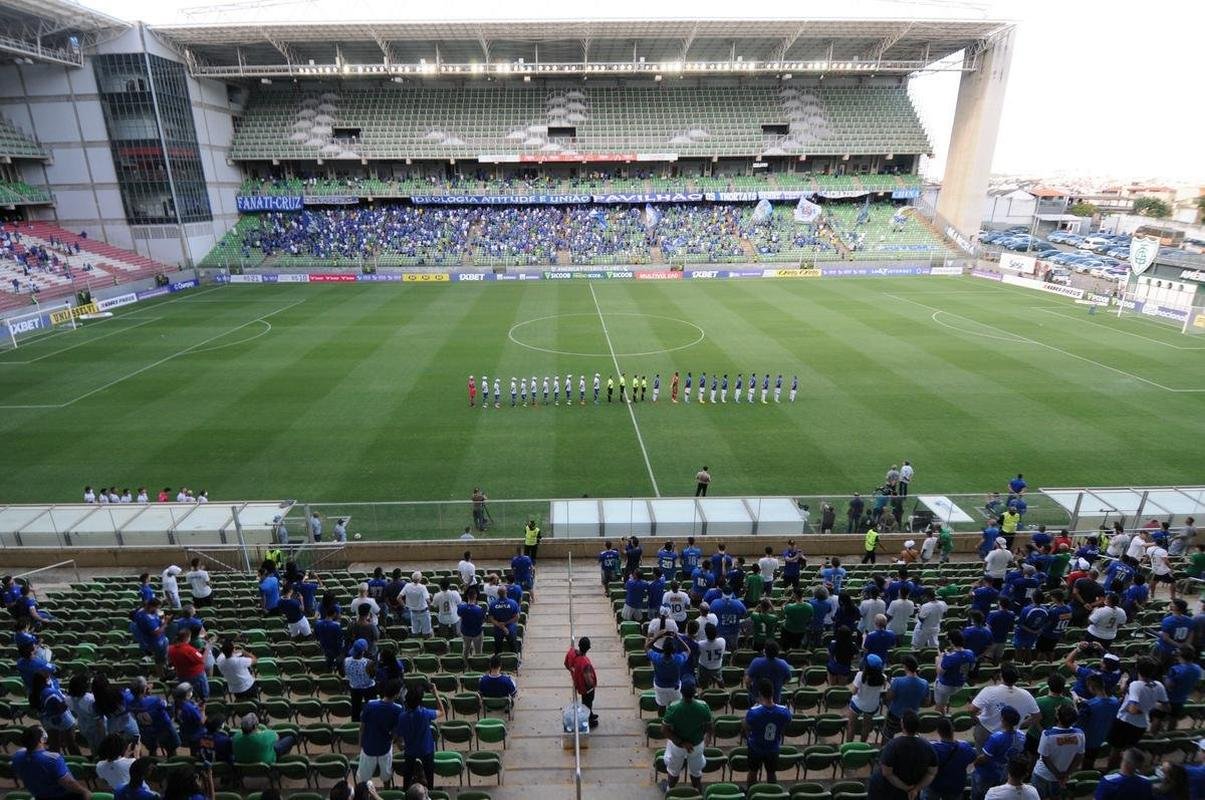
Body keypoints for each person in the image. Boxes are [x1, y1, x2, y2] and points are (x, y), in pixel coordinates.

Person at [1106, 657, 1168, 769]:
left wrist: (1144, 708)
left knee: (1115, 750)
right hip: (1141, 725)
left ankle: (1110, 772)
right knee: (1128, 751)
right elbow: (1166, 707)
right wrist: (1149, 706)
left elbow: (1132, 709)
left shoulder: (1136, 685)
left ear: (1137, 669)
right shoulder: (1159, 685)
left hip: (1124, 722)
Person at [869, 710, 938, 800]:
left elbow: (886, 773)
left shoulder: (893, 745)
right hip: (911, 792)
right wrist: (916, 789)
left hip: (887, 790)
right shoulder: (928, 747)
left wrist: (906, 788)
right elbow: (932, 773)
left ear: (902, 724)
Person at [970, 666, 1039, 749]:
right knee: (1004, 758)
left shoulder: (988, 691)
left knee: (982, 757)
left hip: (986, 731)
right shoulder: (1026, 694)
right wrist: (1019, 724)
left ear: (1001, 676)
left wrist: (977, 719)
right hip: (1010, 734)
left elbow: (972, 710)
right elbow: (1037, 717)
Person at [662, 681, 712, 793]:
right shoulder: (703, 706)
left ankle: (669, 791)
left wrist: (681, 742)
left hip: (678, 746)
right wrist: (708, 736)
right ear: (695, 692)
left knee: (674, 771)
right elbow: (709, 726)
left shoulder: (673, 708)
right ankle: (698, 792)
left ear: (681, 692)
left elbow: (664, 730)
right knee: (696, 772)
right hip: (697, 745)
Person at [742, 677, 791, 785]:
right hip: (773, 747)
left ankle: (751, 793)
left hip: (755, 747)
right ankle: (772, 793)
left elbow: (746, 726)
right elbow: (786, 724)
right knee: (771, 773)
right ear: (773, 693)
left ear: (759, 693)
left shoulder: (754, 712)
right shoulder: (784, 711)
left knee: (752, 772)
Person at [1030, 704, 1084, 800]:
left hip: (1043, 774)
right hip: (1063, 775)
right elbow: (1079, 756)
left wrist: (1058, 775)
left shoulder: (1047, 735)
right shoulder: (1080, 734)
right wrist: (1066, 775)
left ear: (1058, 717)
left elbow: (1045, 758)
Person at [356, 679, 403, 785]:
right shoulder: (398, 709)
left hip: (368, 747)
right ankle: (387, 790)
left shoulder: (370, 705)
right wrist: (396, 741)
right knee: (386, 775)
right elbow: (396, 733)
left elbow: (362, 728)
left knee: (364, 778)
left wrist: (360, 744)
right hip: (385, 747)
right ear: (396, 695)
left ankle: (366, 793)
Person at [972, 705, 1025, 800]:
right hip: (1005, 772)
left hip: (988, 773)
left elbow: (984, 758)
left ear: (1003, 720)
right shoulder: (1022, 736)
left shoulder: (996, 737)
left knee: (979, 795)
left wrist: (975, 763)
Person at [396, 683, 441, 790]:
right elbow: (442, 711)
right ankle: (430, 791)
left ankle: (406, 792)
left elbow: (399, 737)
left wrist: (400, 744)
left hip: (410, 750)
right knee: (429, 773)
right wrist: (436, 694)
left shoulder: (402, 717)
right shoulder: (425, 713)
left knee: (407, 774)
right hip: (426, 749)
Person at [1076, 676, 1121, 770]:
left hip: (1090, 741)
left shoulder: (1088, 705)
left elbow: (1080, 723)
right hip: (1106, 738)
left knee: (1087, 765)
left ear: (1091, 687)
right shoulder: (1116, 702)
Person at [928, 717, 977, 800]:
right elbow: (973, 758)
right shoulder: (965, 747)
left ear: (938, 731)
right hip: (956, 786)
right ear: (953, 729)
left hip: (936, 785)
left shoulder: (932, 748)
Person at [934, 629, 977, 714]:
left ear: (951, 641)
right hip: (960, 684)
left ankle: (941, 713)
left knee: (939, 706)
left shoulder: (949, 657)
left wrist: (940, 659)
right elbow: (971, 668)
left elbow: (939, 672)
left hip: (946, 687)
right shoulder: (970, 653)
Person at [847, 654, 886, 741]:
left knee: (851, 725)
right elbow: (883, 688)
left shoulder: (860, 675)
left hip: (858, 704)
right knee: (866, 726)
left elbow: (853, 692)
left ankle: (848, 744)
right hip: (872, 706)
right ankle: (862, 743)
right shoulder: (883, 678)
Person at [744, 640, 792, 705]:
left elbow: (747, 681)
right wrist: (779, 683)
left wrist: (750, 689)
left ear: (765, 651)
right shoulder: (783, 664)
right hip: (775, 699)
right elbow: (788, 678)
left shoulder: (756, 662)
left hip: (757, 699)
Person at [564, 637, 598, 728]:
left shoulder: (572, 653)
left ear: (579, 645)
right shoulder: (585, 662)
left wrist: (573, 672)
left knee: (586, 703)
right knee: (588, 703)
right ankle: (589, 721)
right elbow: (588, 680)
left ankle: (590, 714)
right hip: (586, 689)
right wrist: (592, 686)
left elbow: (566, 664)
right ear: (588, 648)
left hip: (579, 684)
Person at [345, 639, 377, 723]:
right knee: (371, 708)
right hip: (369, 688)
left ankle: (355, 726)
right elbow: (373, 676)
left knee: (355, 709)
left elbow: (346, 673)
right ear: (363, 651)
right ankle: (371, 723)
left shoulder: (346, 661)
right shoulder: (369, 663)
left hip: (354, 688)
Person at [457, 586, 486, 657]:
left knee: (465, 649)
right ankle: (477, 664)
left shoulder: (461, 607)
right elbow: (483, 621)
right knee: (478, 651)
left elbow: (459, 615)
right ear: (475, 596)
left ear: (467, 596)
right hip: (476, 633)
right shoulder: (479, 609)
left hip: (465, 632)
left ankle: (465, 664)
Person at [401, 573, 431, 638]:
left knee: (415, 632)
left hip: (413, 612)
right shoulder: (422, 587)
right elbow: (428, 600)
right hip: (423, 612)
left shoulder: (407, 586)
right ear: (419, 579)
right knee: (427, 633)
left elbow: (398, 598)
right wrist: (429, 608)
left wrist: (405, 607)